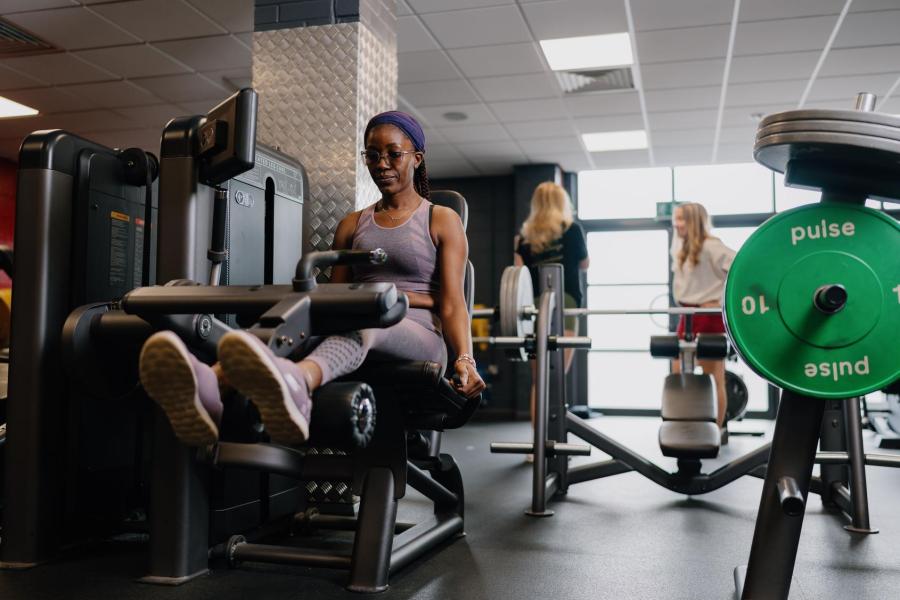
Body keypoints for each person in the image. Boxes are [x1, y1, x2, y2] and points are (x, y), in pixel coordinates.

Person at [138, 110, 485, 447]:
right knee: (296, 322)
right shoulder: (353, 224)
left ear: (417, 158)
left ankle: (300, 383)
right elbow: (335, 299)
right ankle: (210, 385)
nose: (382, 163)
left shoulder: (441, 219)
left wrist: (464, 360)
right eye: (373, 155)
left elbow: (454, 303)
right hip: (365, 317)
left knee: (366, 323)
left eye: (393, 154)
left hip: (421, 333)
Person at [514, 181, 589, 458]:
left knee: (539, 381)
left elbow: (519, 277)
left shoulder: (523, 238)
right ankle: (556, 444)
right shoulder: (572, 229)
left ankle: (538, 446)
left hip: (534, 308)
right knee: (557, 379)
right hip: (566, 304)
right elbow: (584, 264)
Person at [670, 202, 735, 433]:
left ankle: (715, 432)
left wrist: (720, 301)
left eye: (681, 219)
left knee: (713, 377)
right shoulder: (682, 248)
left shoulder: (711, 246)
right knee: (677, 373)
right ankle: (683, 428)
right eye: (675, 219)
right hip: (687, 315)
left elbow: (740, 266)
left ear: (694, 221)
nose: (676, 224)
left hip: (708, 316)